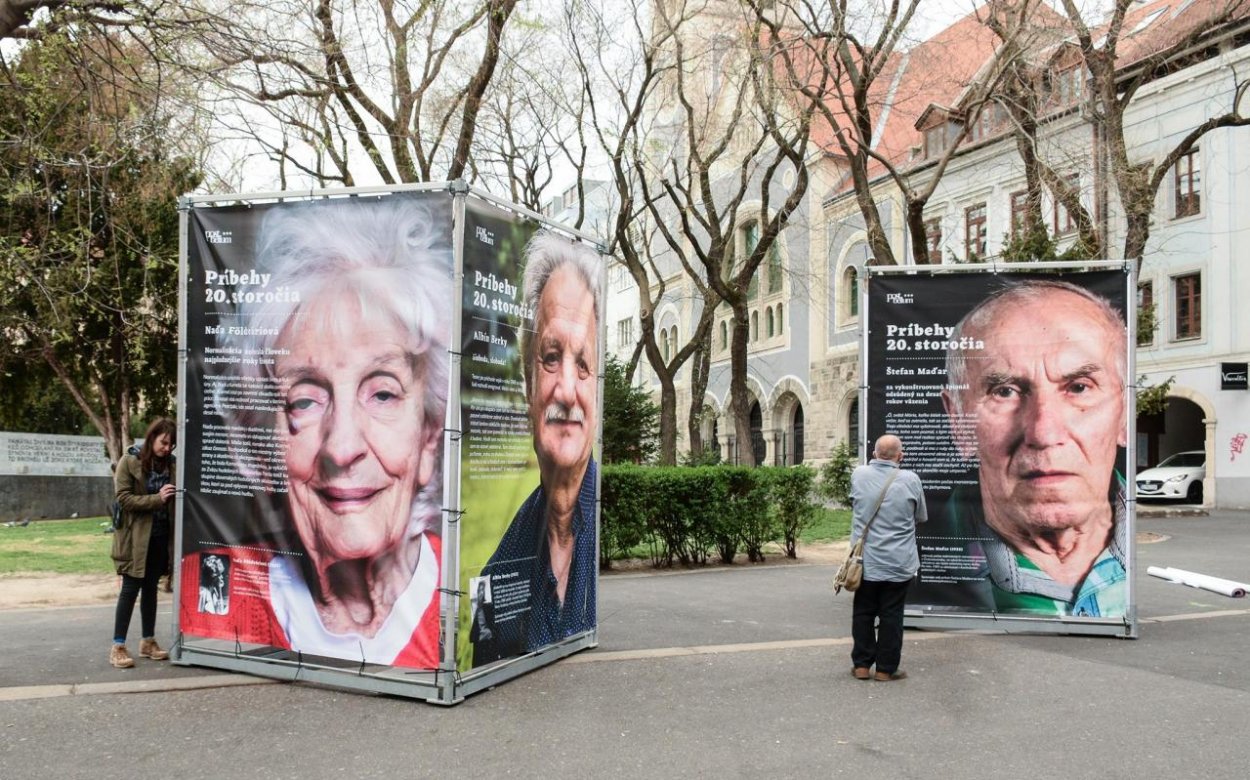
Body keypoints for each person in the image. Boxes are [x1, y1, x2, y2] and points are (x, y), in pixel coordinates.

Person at [179, 197, 450, 669]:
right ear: (263, 441)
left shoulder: (464, 589)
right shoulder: (215, 586)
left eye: (382, 394)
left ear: (428, 435)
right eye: (305, 399)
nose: (341, 448)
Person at [939, 279, 1129, 617]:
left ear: (1126, 413)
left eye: (1079, 387)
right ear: (957, 420)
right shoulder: (930, 548)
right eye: (1005, 391)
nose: (1043, 432)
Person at [474, 232, 599, 664]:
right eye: (550, 357)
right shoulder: (495, 575)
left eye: (583, 363)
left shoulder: (597, 516)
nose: (566, 389)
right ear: (528, 383)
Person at [849, 434, 927, 682]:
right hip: (898, 561)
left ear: (874, 454)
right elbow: (921, 516)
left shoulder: (858, 475)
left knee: (863, 611)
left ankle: (861, 665)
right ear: (900, 456)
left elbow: (856, 505)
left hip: (865, 562)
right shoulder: (911, 480)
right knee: (892, 614)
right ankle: (886, 669)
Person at [110, 418, 177, 669]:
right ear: (152, 437)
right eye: (164, 442)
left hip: (160, 537)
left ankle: (148, 641)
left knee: (151, 588)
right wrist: (157, 499)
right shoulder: (130, 461)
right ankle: (118, 646)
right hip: (135, 538)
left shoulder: (172, 465)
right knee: (130, 589)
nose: (167, 448)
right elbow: (124, 499)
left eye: (172, 444)